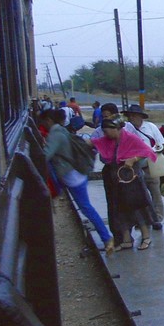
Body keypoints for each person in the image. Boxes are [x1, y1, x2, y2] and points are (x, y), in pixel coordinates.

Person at [39, 109, 115, 254]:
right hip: (74, 173)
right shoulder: (61, 130)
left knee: (86, 207)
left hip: (72, 177)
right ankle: (106, 237)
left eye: (43, 122)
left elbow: (44, 156)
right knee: (85, 207)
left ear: (48, 120)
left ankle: (107, 238)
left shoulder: (55, 134)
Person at [91, 119, 157, 251]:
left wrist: (133, 159)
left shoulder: (130, 138)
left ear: (115, 129)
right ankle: (127, 239)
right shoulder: (107, 140)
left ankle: (146, 237)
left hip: (131, 178)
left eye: (106, 131)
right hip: (115, 179)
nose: (105, 134)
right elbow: (93, 143)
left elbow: (147, 151)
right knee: (119, 209)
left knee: (137, 207)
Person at [124, 104, 164, 230]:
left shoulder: (150, 127)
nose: (131, 118)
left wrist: (152, 151)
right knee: (138, 195)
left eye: (134, 115)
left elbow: (162, 143)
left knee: (155, 192)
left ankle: (157, 218)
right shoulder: (125, 129)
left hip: (149, 165)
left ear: (140, 116)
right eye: (130, 116)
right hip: (133, 166)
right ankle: (142, 220)